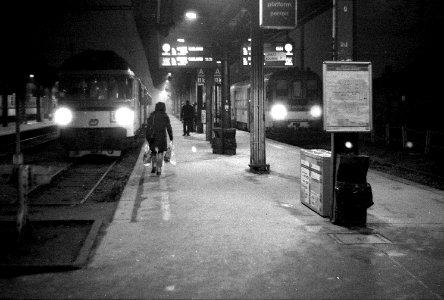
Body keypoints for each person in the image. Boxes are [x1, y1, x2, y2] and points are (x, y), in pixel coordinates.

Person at [146, 102, 173, 176]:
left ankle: (154, 166)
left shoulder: (152, 115)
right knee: (160, 153)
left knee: (154, 152)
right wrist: (171, 137)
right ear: (164, 107)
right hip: (162, 137)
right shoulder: (165, 116)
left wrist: (147, 137)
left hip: (153, 136)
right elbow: (169, 128)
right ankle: (159, 169)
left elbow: (148, 127)